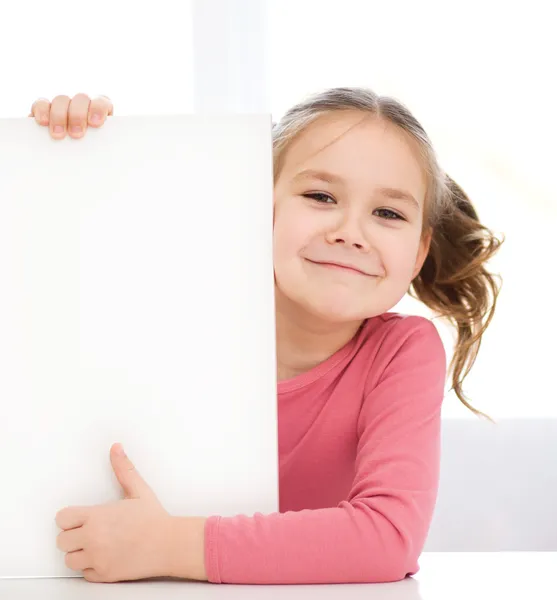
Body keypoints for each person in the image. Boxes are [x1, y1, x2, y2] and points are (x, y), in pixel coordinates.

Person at [30, 88, 503, 585]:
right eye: (321, 196)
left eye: (388, 213)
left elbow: (388, 540)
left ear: (419, 251)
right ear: (258, 207)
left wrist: (169, 546)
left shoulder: (402, 352)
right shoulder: (176, 314)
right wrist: (68, 153)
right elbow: (61, 276)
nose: (350, 231)